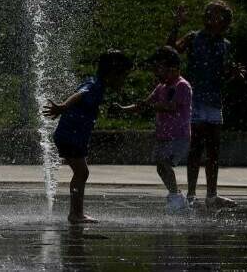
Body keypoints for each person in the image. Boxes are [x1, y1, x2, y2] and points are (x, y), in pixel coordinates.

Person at [43, 50, 134, 223]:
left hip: (72, 135)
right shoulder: (94, 86)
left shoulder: (96, 84)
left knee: (81, 172)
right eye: (123, 76)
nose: (123, 81)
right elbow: (80, 95)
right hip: (70, 135)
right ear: (112, 74)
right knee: (82, 172)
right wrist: (62, 106)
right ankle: (75, 214)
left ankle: (76, 213)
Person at [169, 0, 244, 208]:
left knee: (214, 150)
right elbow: (170, 51)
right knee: (195, 148)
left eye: (215, 14)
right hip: (194, 102)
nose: (209, 15)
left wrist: (232, 75)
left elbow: (220, 75)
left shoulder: (225, 45)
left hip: (214, 103)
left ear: (224, 21)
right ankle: (192, 195)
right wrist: (176, 25)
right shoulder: (194, 38)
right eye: (208, 12)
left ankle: (212, 195)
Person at [117, 47, 192, 212]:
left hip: (179, 137)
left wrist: (149, 105)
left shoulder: (182, 86)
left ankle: (176, 198)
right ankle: (176, 196)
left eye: (159, 69)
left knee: (164, 163)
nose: (156, 74)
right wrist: (124, 109)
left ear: (173, 69)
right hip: (163, 136)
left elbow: (171, 107)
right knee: (160, 166)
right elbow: (144, 103)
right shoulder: (161, 87)